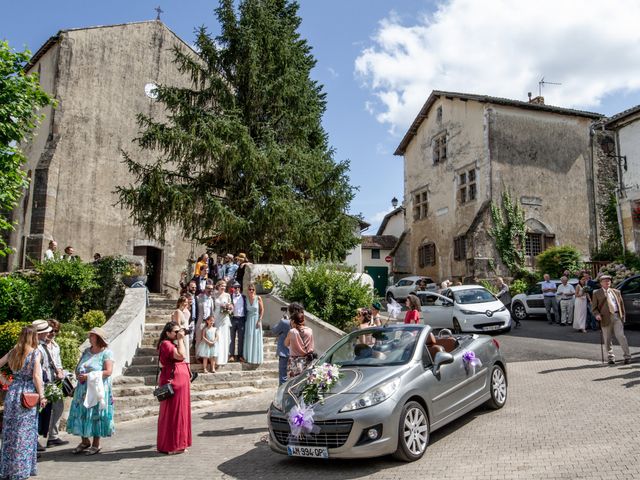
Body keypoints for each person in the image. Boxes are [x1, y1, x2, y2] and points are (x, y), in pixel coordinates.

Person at [0, 326, 47, 480]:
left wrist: (5, 381)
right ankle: (21, 470)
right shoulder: (35, 353)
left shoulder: (13, 351)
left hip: (13, 393)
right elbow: (36, 377)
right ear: (33, 337)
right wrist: (42, 395)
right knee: (24, 433)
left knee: (10, 432)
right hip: (27, 395)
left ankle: (8, 469)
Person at [66, 327, 114, 455]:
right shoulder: (87, 351)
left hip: (97, 388)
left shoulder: (106, 353)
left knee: (95, 414)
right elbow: (79, 367)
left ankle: (96, 444)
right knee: (81, 413)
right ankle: (85, 441)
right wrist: (78, 374)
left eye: (92, 336)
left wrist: (88, 376)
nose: (89, 338)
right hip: (82, 388)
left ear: (98, 338)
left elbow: (108, 372)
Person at [156, 322, 192, 454]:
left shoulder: (172, 344)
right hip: (173, 383)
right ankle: (171, 445)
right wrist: (181, 339)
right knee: (173, 414)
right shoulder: (166, 344)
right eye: (175, 332)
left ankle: (180, 442)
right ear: (168, 333)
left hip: (180, 382)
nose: (178, 334)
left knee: (181, 413)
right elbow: (181, 356)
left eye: (179, 331)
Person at [591, 275, 632, 365]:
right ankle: (611, 358)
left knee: (621, 337)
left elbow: (621, 305)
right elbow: (594, 308)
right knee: (607, 339)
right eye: (605, 281)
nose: (607, 282)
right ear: (601, 283)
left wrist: (623, 317)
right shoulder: (596, 293)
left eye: (609, 281)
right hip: (605, 318)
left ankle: (627, 356)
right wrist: (597, 314)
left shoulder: (616, 292)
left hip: (617, 316)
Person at [43, 319, 68, 448]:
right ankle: (34, 440)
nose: (53, 333)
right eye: (51, 330)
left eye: (56, 331)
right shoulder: (39, 345)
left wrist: (61, 372)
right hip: (42, 381)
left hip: (55, 382)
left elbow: (58, 363)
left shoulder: (56, 346)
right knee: (41, 411)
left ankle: (53, 437)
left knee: (59, 407)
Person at [285, 308, 315, 378]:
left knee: (294, 383)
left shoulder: (292, 332)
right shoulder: (310, 330)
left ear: (293, 321)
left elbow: (286, 344)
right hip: (308, 360)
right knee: (307, 380)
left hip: (295, 362)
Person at [243, 282, 264, 365]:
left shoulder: (258, 298)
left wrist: (260, 320)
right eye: (250, 289)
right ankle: (248, 357)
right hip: (248, 320)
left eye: (253, 289)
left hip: (256, 320)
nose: (251, 291)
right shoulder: (246, 299)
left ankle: (256, 358)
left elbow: (262, 310)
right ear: (247, 290)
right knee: (249, 337)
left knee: (256, 338)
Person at [213, 280, 232, 366]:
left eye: (224, 286)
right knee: (218, 336)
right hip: (216, 317)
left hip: (224, 317)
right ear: (218, 286)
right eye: (222, 286)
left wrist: (228, 309)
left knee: (224, 337)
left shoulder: (227, 295)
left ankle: (223, 358)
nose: (223, 287)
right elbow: (212, 307)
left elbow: (231, 307)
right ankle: (216, 358)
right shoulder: (214, 295)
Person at [272, 307, 292, 385]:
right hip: (294, 352)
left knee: (283, 377)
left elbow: (274, 330)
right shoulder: (299, 322)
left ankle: (282, 395)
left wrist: (281, 321)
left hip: (284, 352)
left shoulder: (284, 322)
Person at [228, 281, 247, 363]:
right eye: (235, 287)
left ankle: (240, 355)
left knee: (241, 338)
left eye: (238, 287)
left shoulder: (244, 297)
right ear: (233, 288)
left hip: (241, 319)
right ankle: (231, 355)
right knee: (231, 338)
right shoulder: (230, 297)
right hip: (233, 319)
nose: (237, 289)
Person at [172, 296, 191, 362]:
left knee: (186, 348)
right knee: (182, 348)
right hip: (182, 332)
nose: (186, 303)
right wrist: (182, 332)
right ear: (180, 302)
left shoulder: (185, 310)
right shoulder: (177, 311)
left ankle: (187, 367)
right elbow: (178, 324)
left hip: (186, 331)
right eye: (185, 302)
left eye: (187, 302)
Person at [196, 283, 214, 347]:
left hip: (208, 323)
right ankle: (197, 356)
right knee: (198, 340)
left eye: (212, 289)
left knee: (207, 341)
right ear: (205, 289)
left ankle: (205, 357)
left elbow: (212, 312)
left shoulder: (212, 299)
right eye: (209, 288)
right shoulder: (198, 298)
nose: (210, 290)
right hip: (201, 322)